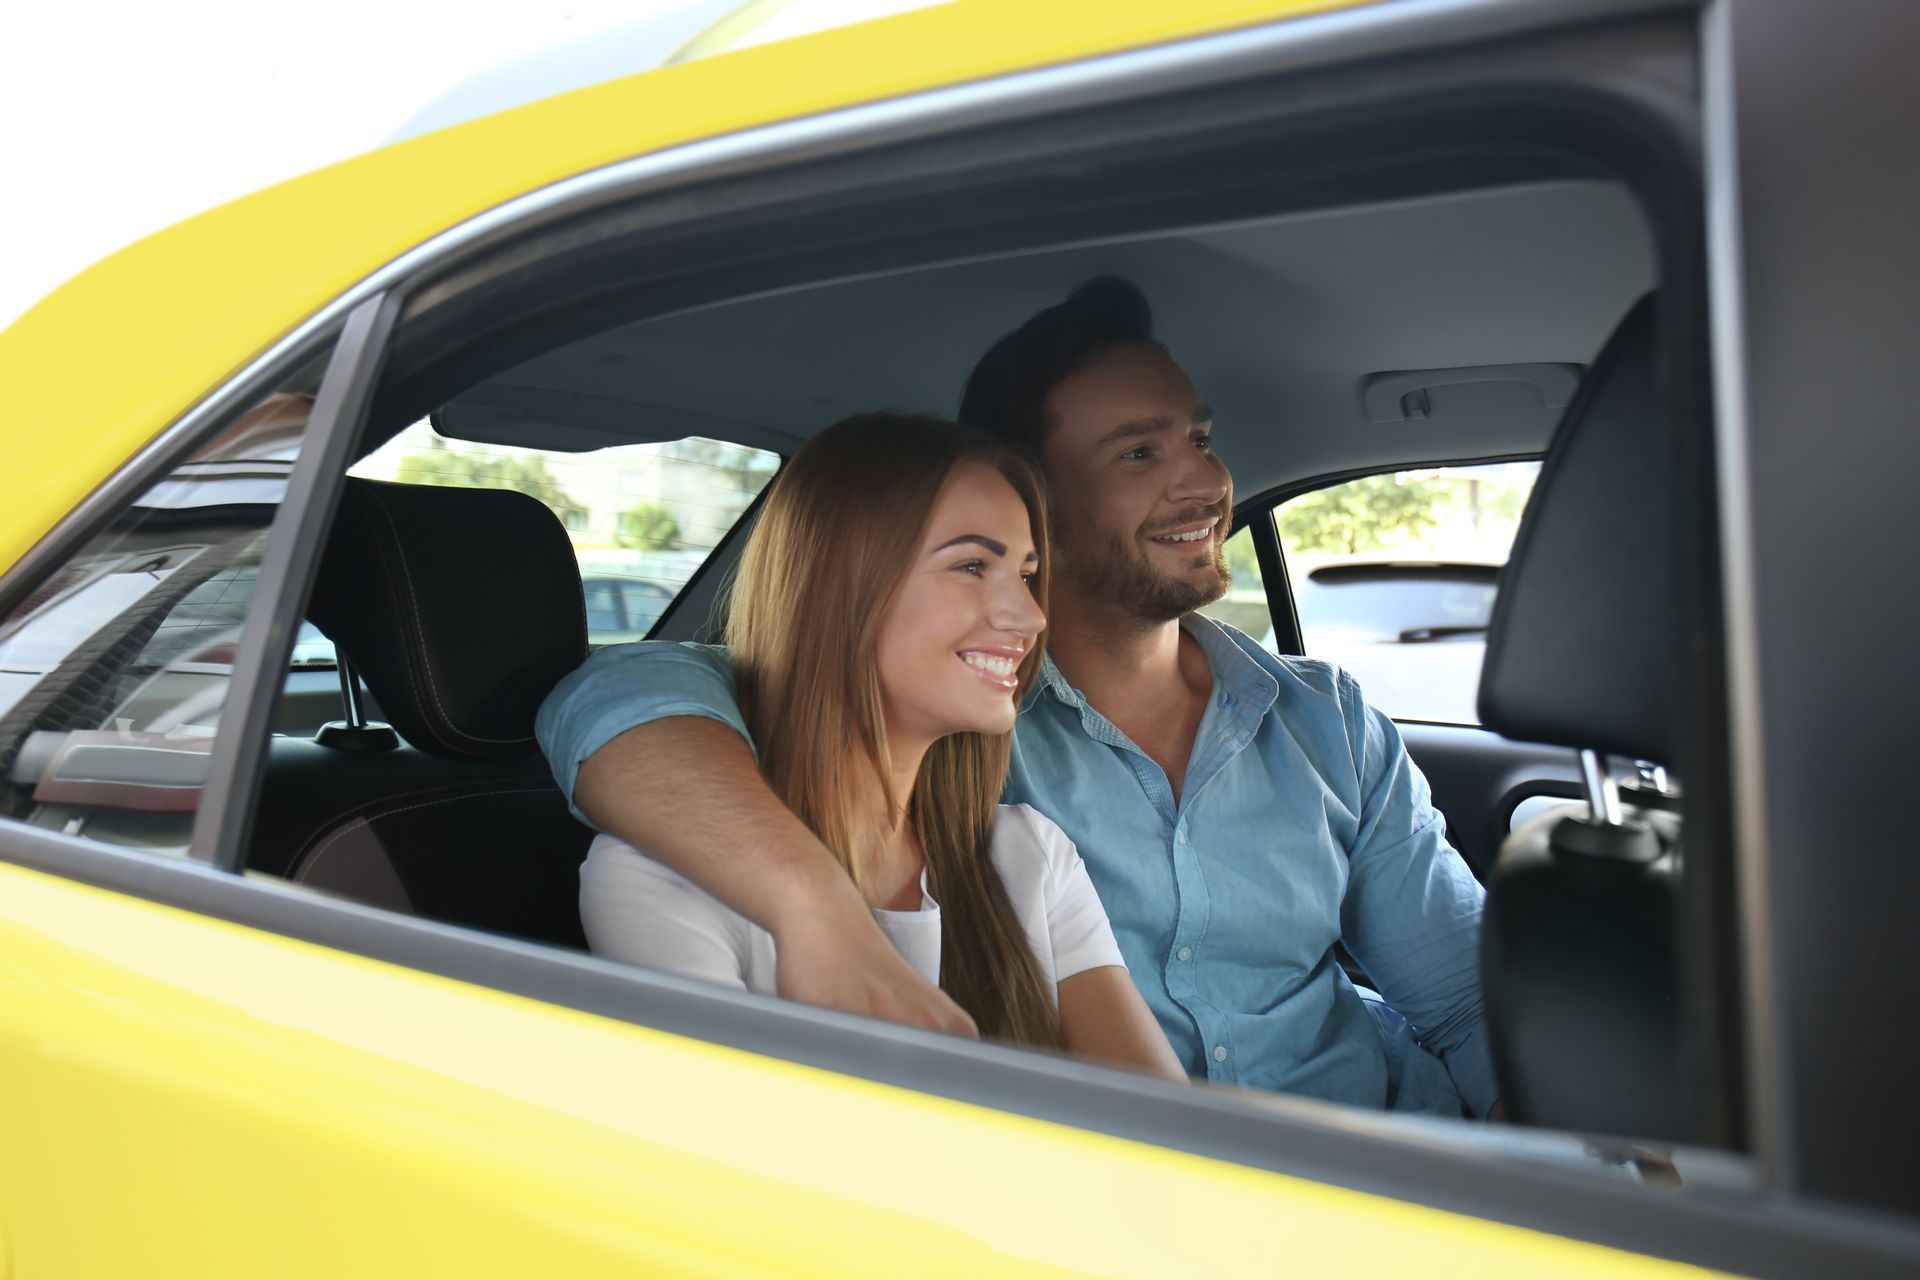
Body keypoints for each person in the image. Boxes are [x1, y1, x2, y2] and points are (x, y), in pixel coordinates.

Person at [539, 280, 1496, 1116]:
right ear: (1036, 493)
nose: (1207, 482)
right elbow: (623, 694)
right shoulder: (956, 724)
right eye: (1138, 453)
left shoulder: (1324, 721)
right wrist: (816, 907)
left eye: (1201, 440)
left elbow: (1467, 999)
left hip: (1390, 1149)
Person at [574, 411, 1185, 1079]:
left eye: (1026, 573)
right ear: (837, 586)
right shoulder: (661, 876)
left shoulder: (1031, 855)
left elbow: (1169, 1126)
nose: (1032, 616)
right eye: (973, 566)